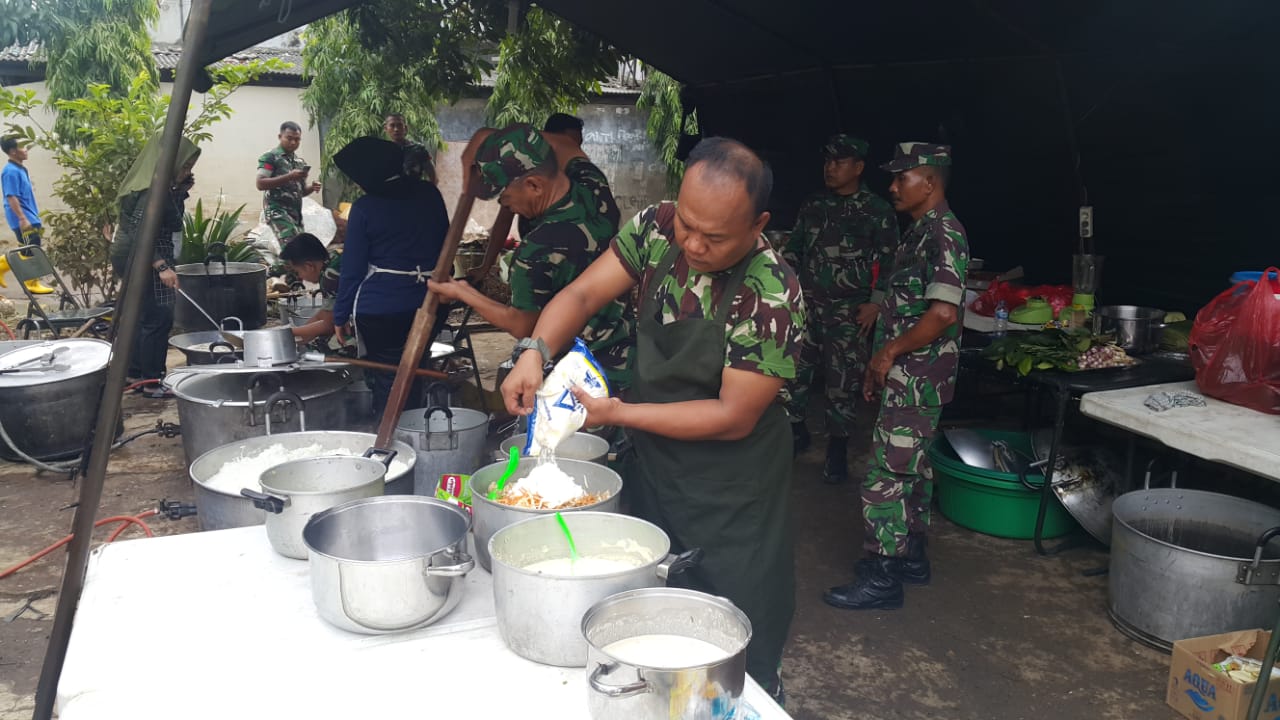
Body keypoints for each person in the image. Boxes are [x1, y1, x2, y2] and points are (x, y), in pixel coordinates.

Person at [501, 137, 804, 701]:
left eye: (713, 237)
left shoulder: (772, 291)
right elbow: (586, 292)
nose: (692, 243)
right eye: (687, 223)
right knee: (652, 611)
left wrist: (619, 413)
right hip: (656, 466)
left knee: (734, 630)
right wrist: (534, 351)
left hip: (733, 488)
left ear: (758, 223)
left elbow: (733, 416)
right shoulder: (656, 228)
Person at [823, 142, 969, 611]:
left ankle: (883, 575)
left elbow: (942, 313)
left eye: (901, 177)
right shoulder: (920, 232)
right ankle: (912, 557)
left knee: (885, 475)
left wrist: (888, 353)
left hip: (917, 373)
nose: (891, 186)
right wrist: (881, 360)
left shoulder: (944, 233)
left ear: (929, 182)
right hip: (911, 373)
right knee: (915, 470)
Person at [431, 123, 632, 389]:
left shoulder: (535, 252)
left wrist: (461, 292)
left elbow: (522, 325)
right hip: (624, 357)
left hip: (575, 378)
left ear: (534, 185)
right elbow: (567, 146)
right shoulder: (593, 186)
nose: (505, 206)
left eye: (505, 198)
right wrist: (491, 135)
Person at [783, 134, 899, 483]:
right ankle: (795, 431)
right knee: (795, 374)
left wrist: (876, 303)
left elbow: (890, 260)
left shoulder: (877, 211)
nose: (830, 168)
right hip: (808, 306)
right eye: (828, 161)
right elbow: (795, 250)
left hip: (850, 313)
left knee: (842, 382)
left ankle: (837, 450)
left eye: (839, 162)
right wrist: (786, 289)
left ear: (859, 167)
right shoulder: (813, 205)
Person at [329, 137, 449, 416]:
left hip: (381, 310)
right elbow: (446, 244)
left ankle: (392, 440)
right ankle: (418, 429)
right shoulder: (430, 194)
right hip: (430, 302)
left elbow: (353, 268)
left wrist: (340, 315)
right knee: (415, 371)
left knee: (388, 380)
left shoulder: (364, 208)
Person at [110, 135, 202, 398]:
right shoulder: (153, 190)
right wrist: (161, 266)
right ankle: (151, 381)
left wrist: (181, 189)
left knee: (142, 315)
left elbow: (168, 217)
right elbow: (142, 231)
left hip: (135, 255)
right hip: (146, 257)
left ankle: (136, 373)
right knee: (158, 317)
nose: (188, 171)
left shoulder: (159, 185)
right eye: (185, 166)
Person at [0, 136, 54, 294]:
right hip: (22, 218)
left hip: (29, 215)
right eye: (22, 147)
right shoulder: (10, 172)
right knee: (31, 248)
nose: (26, 150)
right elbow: (11, 197)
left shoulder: (19, 167)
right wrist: (22, 218)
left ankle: (3, 266)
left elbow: (26, 147)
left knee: (27, 248)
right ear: (12, 151)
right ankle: (32, 283)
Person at [256, 121, 320, 244]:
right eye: (289, 138)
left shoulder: (299, 162)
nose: (293, 142)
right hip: (277, 212)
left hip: (295, 214)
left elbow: (300, 192)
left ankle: (280, 264)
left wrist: (312, 187)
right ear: (280, 137)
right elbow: (260, 183)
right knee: (291, 247)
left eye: (297, 139)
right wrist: (289, 176)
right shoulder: (271, 157)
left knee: (299, 248)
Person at [280, 233, 340, 345]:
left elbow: (329, 325)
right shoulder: (334, 257)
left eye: (298, 272)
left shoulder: (329, 276)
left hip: (371, 318)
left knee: (327, 344)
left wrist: (286, 334)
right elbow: (325, 313)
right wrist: (302, 337)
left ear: (309, 266)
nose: (300, 277)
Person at [383, 113, 437, 184]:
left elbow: (433, 178)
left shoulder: (418, 149)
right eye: (392, 125)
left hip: (413, 192)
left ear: (405, 128)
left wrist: (427, 193)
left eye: (399, 125)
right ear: (386, 129)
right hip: (388, 193)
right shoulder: (382, 151)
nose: (396, 129)